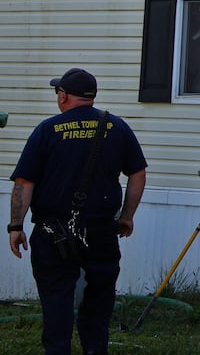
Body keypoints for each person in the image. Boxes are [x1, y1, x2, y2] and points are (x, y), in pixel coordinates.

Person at [8, 68, 147, 355]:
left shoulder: (47, 130)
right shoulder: (117, 127)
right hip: (101, 232)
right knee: (98, 302)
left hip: (53, 234)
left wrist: (16, 225)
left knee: (56, 301)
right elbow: (138, 173)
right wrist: (127, 215)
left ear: (63, 96)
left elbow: (25, 182)